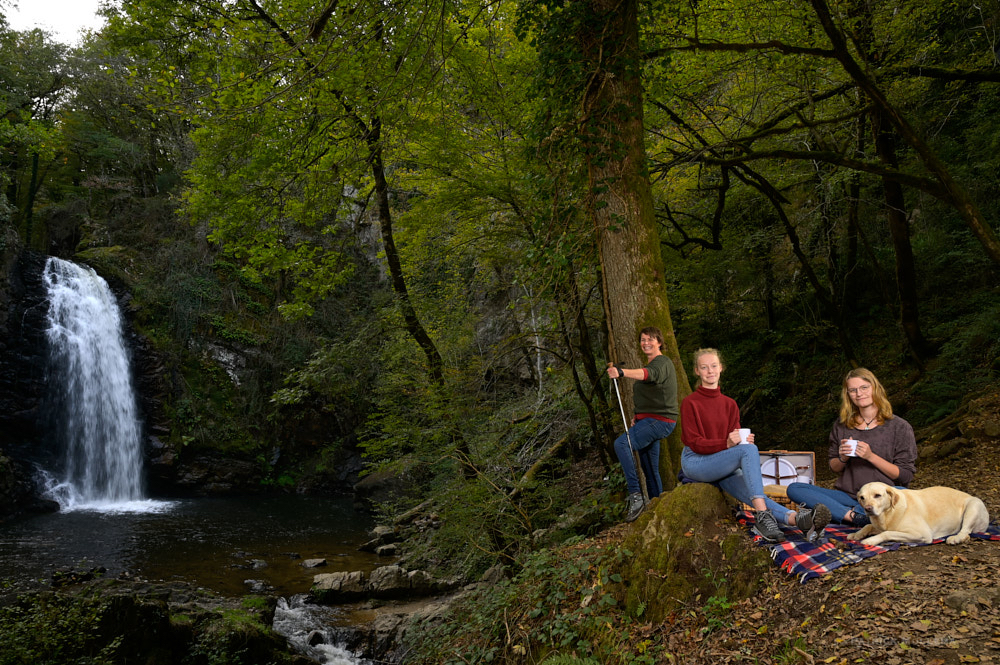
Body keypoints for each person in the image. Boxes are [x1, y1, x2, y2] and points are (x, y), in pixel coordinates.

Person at [680, 348, 830, 543]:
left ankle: (798, 520)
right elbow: (695, 442)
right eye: (704, 367)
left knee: (753, 491)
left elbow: (735, 442)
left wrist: (741, 442)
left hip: (721, 462)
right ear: (697, 371)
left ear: (721, 368)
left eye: (714, 366)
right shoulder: (689, 403)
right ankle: (762, 517)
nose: (710, 371)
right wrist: (728, 443)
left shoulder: (730, 404)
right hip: (696, 462)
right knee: (749, 451)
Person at [786, 367, 917, 527]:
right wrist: (843, 457)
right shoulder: (842, 426)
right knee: (795, 488)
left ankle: (841, 513)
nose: (859, 394)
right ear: (848, 395)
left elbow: (905, 476)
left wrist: (870, 456)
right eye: (853, 390)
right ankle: (853, 516)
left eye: (864, 388)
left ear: (875, 388)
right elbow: (834, 467)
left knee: (903, 496)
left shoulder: (899, 427)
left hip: (883, 496)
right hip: (849, 495)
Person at [605, 326, 679, 522]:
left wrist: (621, 372)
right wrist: (638, 417)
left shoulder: (661, 363)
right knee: (649, 467)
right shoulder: (653, 363)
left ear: (659, 342)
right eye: (643, 340)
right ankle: (658, 507)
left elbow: (649, 375)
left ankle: (636, 496)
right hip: (649, 421)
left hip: (660, 421)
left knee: (622, 444)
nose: (646, 343)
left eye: (650, 339)